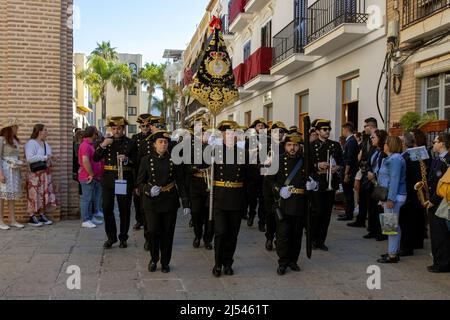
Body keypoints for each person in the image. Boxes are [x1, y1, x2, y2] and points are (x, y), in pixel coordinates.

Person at [137, 130, 190, 273]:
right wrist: (148, 189)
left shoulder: (174, 160)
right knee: (153, 231)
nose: (163, 144)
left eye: (166, 142)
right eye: (160, 142)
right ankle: (154, 258)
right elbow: (139, 183)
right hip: (152, 202)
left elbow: (180, 181)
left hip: (169, 200)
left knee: (167, 233)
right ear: (154, 144)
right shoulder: (146, 160)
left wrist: (185, 202)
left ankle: (165, 262)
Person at [269, 132, 318, 275]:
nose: (292, 148)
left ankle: (293, 261)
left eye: (295, 145)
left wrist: (313, 185)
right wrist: (279, 190)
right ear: (285, 146)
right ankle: (283, 262)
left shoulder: (306, 161)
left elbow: (314, 177)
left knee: (296, 235)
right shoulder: (278, 160)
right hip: (284, 203)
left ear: (299, 146)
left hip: (300, 203)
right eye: (289, 145)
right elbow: (269, 181)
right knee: (283, 235)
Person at [93, 117, 137, 249]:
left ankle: (123, 237)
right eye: (113, 128)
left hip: (124, 179)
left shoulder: (131, 143)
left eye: (119, 128)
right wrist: (103, 145)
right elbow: (95, 158)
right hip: (108, 179)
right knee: (107, 208)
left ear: (123, 129)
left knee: (124, 209)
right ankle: (111, 237)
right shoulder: (105, 141)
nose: (116, 131)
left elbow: (136, 161)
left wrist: (127, 159)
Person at [212, 120, 248, 277]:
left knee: (232, 234)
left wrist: (246, 199)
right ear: (222, 136)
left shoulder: (244, 154)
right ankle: (218, 263)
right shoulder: (213, 152)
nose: (230, 137)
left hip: (236, 198)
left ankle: (228, 263)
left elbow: (250, 179)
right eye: (227, 134)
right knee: (220, 232)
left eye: (233, 134)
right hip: (219, 198)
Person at [310, 119, 343, 251]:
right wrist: (318, 165)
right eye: (324, 129)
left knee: (326, 214)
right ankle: (312, 238)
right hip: (317, 182)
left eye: (328, 129)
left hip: (330, 182)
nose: (327, 131)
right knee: (317, 212)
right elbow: (307, 164)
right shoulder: (311, 146)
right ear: (317, 131)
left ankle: (321, 241)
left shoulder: (335, 145)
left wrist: (337, 167)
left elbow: (342, 161)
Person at [376, 136, 407, 263]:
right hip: (390, 195)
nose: (383, 145)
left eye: (385, 143)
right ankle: (394, 251)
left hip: (394, 196)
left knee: (390, 225)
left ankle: (392, 255)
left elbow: (394, 179)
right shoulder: (391, 158)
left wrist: (390, 199)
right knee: (393, 225)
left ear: (390, 145)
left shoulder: (395, 159)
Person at [185, 119, 213, 250]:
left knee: (209, 213)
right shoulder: (189, 149)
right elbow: (185, 166)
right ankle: (197, 235)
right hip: (195, 183)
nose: (203, 136)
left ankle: (208, 239)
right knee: (196, 212)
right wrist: (195, 169)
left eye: (204, 133)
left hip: (210, 183)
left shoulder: (214, 148)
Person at [399, 131, 427, 256]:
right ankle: (416, 242)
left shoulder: (407, 156)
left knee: (406, 222)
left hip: (409, 193)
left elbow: (410, 176)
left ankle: (406, 247)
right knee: (413, 220)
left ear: (404, 143)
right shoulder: (412, 154)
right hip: (413, 193)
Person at [425, 133, 450, 273]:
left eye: (435, 142)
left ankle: (442, 263)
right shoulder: (436, 159)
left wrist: (433, 201)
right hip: (433, 199)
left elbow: (445, 184)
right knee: (435, 233)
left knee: (441, 235)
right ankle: (438, 260)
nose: (433, 144)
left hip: (440, 202)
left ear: (442, 143)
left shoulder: (448, 160)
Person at [24, 124, 57, 227]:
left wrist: (51, 158)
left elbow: (47, 157)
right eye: (45, 130)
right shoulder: (31, 143)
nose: (47, 132)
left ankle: (41, 214)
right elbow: (29, 158)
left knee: (43, 194)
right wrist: (44, 157)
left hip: (45, 173)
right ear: (39, 132)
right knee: (33, 194)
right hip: (35, 174)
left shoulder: (45, 143)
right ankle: (31, 216)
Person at [349, 118, 378, 228]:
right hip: (364, 171)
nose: (364, 128)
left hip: (371, 173)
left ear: (370, 126)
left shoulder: (377, 137)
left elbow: (372, 157)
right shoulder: (367, 139)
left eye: (365, 126)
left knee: (372, 202)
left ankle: (374, 228)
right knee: (363, 197)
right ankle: (362, 221)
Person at [263, 121, 287, 251]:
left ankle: (279, 237)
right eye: (276, 131)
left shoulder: (287, 147)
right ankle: (269, 237)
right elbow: (257, 165)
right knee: (270, 213)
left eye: (282, 131)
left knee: (282, 212)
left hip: (283, 184)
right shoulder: (265, 147)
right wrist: (266, 163)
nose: (279, 134)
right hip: (268, 184)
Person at [0, 118, 25, 230]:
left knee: (12, 196)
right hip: (4, 170)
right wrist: (0, 174)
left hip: (14, 171)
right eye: (16, 127)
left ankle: (12, 220)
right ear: (10, 128)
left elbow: (17, 157)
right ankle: (1, 221)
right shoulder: (1, 139)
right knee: (2, 197)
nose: (17, 129)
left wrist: (20, 172)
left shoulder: (15, 141)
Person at [78, 126, 104, 229]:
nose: (97, 135)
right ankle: (85, 220)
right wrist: (91, 174)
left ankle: (90, 217)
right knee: (86, 199)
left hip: (91, 176)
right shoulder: (85, 145)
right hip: (86, 176)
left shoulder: (90, 145)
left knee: (91, 198)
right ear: (93, 134)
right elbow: (85, 161)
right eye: (96, 133)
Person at [364, 129, 388, 241]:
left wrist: (375, 175)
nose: (371, 139)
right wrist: (369, 171)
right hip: (371, 182)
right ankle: (373, 230)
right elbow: (368, 162)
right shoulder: (373, 149)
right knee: (372, 208)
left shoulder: (386, 152)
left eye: (373, 137)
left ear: (380, 138)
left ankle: (383, 233)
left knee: (381, 210)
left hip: (381, 184)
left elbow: (385, 170)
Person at [246, 118, 269, 232]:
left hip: (265, 171)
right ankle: (251, 214)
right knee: (252, 197)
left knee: (263, 198)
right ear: (254, 128)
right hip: (252, 172)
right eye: (259, 125)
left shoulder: (269, 141)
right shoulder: (249, 140)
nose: (261, 127)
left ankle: (262, 222)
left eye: (262, 126)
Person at [131, 114, 153, 233]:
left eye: (147, 125)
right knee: (137, 197)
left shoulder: (153, 137)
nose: (145, 128)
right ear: (140, 126)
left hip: (151, 170)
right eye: (143, 126)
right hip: (138, 169)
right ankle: (139, 220)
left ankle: (147, 220)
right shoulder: (135, 138)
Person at [338, 122, 359, 221]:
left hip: (349, 172)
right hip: (348, 170)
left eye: (343, 130)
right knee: (347, 194)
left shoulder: (351, 141)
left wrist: (346, 173)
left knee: (348, 193)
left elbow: (349, 158)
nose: (342, 132)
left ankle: (349, 213)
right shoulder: (350, 140)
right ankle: (347, 212)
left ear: (346, 129)